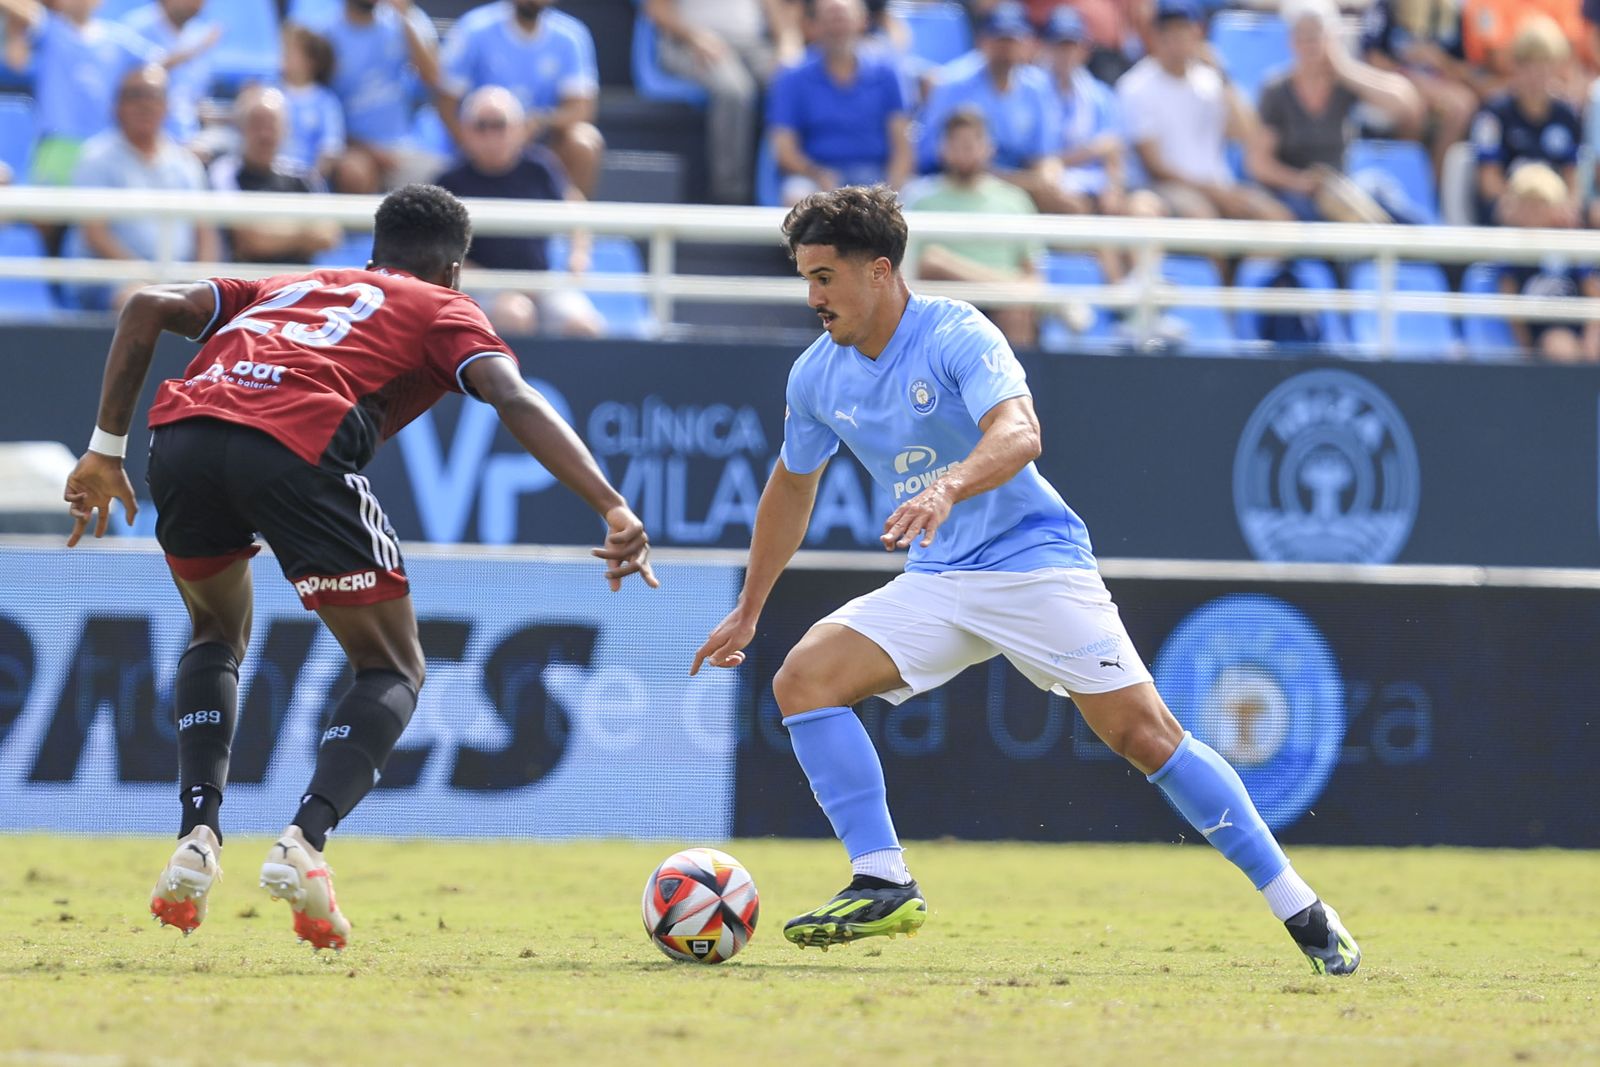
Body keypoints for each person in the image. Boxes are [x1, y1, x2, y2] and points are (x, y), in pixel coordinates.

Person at [689, 185, 1361, 976]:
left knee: (1146, 736)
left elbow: (1020, 432)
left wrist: (947, 487)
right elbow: (792, 486)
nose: (813, 297)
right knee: (803, 678)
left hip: (1034, 563)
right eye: (806, 278)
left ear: (879, 272)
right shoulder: (816, 377)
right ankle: (882, 878)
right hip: (940, 575)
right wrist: (750, 607)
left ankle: (1300, 905)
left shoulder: (956, 332)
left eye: (825, 277)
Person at [61, 183, 655, 952]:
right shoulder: (442, 307)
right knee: (393, 665)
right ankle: (303, 841)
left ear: (373, 255)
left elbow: (145, 304)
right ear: (453, 271)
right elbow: (511, 395)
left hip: (185, 436)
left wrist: (103, 451)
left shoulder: (290, 284)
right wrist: (612, 504)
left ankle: (197, 836)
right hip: (296, 442)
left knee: (214, 632)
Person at [435, 86, 603, 338]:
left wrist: (579, 254)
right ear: (465, 131)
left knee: (584, 325)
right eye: (481, 126)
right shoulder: (449, 182)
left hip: (541, 282)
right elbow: (442, 255)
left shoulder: (540, 168)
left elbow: (575, 206)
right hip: (479, 288)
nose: (491, 135)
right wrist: (504, 284)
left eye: (499, 125)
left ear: (519, 129)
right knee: (514, 314)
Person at [1116, 0, 1291, 221]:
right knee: (1200, 216)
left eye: (1182, 30)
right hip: (1166, 188)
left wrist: (1224, 76)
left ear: (1197, 33)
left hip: (1217, 186)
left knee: (1276, 216)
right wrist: (1212, 192)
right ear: (1155, 36)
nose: (1175, 40)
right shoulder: (1135, 86)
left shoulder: (1211, 81)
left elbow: (1246, 134)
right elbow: (1155, 167)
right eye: (1167, 32)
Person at [1248, 0, 1421, 221]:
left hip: (1342, 185)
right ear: (1291, 40)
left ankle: (1425, 239)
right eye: (1302, 36)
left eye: (1315, 35)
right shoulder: (1276, 90)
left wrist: (1345, 69)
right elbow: (1259, 163)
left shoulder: (1343, 85)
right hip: (1294, 194)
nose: (1309, 44)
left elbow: (1404, 104)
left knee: (1382, 190)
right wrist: (1301, 183)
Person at [64, 64, 218, 311]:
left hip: (177, 281)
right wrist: (150, 278)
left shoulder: (186, 164)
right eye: (135, 95)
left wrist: (201, 284)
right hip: (111, 278)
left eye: (154, 95)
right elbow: (94, 234)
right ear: (117, 106)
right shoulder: (96, 157)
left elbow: (205, 234)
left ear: (167, 106)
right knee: (141, 302)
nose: (145, 104)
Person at [904, 111, 1044, 346]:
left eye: (972, 143)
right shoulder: (919, 200)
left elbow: (1033, 277)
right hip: (939, 304)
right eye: (957, 144)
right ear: (943, 149)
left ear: (989, 148)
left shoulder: (1015, 201)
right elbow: (911, 272)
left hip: (1002, 306)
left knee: (1017, 313)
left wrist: (946, 266)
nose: (965, 152)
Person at [643, 0, 804, 204]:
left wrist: (787, 47)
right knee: (734, 91)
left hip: (753, 46)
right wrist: (695, 37)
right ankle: (730, 194)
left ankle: (798, 176)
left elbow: (779, 17)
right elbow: (657, 10)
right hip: (690, 44)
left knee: (791, 81)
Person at [438, 0, 605, 197]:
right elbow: (446, 102)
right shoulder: (474, 28)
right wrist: (480, 140)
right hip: (479, 138)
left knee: (584, 139)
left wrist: (538, 122)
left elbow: (581, 109)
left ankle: (570, 214)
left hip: (540, 141)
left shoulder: (572, 36)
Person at [916, 3, 1066, 213]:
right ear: (983, 41)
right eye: (999, 40)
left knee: (1068, 202)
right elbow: (932, 150)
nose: (1006, 49)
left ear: (1026, 43)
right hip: (961, 177)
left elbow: (1045, 153)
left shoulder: (1037, 87)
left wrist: (1048, 178)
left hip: (1023, 182)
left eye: (1012, 40)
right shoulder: (952, 83)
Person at [767, 0, 912, 205]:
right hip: (815, 177)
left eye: (843, 19)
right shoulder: (791, 78)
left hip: (876, 176)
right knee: (797, 197)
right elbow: (784, 150)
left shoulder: (887, 73)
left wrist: (890, 191)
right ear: (813, 26)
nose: (837, 28)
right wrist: (817, 173)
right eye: (829, 20)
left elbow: (902, 146)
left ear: (862, 21)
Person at [0, 0, 159, 186]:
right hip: (59, 145)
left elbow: (156, 64)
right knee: (50, 204)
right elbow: (20, 13)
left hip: (107, 146)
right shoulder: (50, 28)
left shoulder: (117, 38)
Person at [301, 0, 449, 193]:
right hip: (351, 146)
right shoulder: (324, 32)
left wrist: (405, 19)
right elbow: (321, 105)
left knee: (442, 177)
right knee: (354, 173)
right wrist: (370, 150)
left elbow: (433, 78)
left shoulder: (403, 22)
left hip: (402, 147)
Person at [1041, 7, 1162, 220]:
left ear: (1085, 50)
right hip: (1057, 186)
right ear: (1047, 48)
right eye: (1060, 45)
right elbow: (1041, 160)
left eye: (1073, 45)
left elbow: (1114, 149)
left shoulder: (1100, 95)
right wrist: (1092, 150)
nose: (1067, 53)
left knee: (1144, 209)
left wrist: (1113, 187)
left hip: (1097, 184)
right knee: (1071, 204)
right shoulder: (1034, 90)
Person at [207, 86, 343, 265]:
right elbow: (249, 239)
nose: (265, 134)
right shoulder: (225, 172)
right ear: (241, 128)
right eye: (257, 124)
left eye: (272, 124)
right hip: (247, 280)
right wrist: (303, 231)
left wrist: (271, 230)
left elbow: (329, 236)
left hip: (298, 280)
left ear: (285, 129)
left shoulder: (302, 176)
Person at [1472, 16, 1582, 225]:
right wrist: (1527, 206)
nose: (1536, 75)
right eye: (1529, 65)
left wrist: (1563, 206)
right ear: (1515, 66)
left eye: (1544, 65)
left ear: (1556, 67)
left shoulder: (1567, 116)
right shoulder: (1494, 114)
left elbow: (1573, 178)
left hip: (1553, 210)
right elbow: (1488, 181)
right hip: (1509, 209)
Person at [1360, 0, 1482, 178]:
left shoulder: (1453, 10)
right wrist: (1407, 73)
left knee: (1463, 106)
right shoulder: (1386, 6)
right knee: (1411, 105)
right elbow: (1373, 58)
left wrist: (1440, 60)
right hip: (1395, 81)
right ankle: (1406, 178)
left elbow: (1466, 69)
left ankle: (1433, 181)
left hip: (1440, 84)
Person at [1495, 162, 1600, 362]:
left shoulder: (1572, 248)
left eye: (1540, 205)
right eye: (1526, 205)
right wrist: (1526, 350)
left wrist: (1591, 340)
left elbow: (1594, 297)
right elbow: (1512, 309)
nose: (1532, 213)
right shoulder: (1510, 255)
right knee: (1559, 344)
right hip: (1545, 335)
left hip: (1580, 330)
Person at [119, 0, 221, 149]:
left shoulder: (198, 33)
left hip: (187, 139)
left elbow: (193, 99)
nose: (196, 4)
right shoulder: (135, 27)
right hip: (140, 143)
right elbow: (146, 72)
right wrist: (195, 50)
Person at [279, 23, 347, 180]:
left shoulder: (326, 102)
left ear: (311, 61)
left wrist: (311, 181)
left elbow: (331, 149)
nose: (284, 55)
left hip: (306, 183)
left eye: (291, 51)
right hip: (270, 180)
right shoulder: (269, 93)